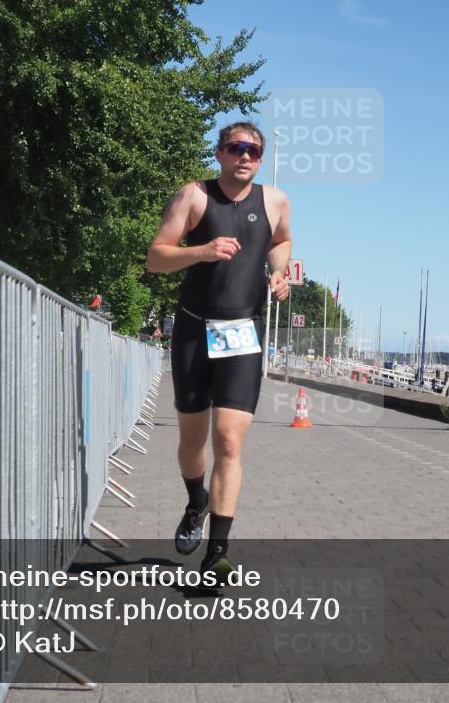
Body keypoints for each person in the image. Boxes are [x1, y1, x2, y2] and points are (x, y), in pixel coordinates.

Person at [146, 121, 291, 580]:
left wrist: (279, 272)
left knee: (228, 440)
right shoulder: (194, 196)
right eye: (236, 148)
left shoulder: (275, 201)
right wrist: (202, 251)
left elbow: (282, 240)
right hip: (194, 330)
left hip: (242, 334)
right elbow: (156, 256)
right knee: (192, 442)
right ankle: (196, 501)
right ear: (220, 153)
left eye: (254, 151)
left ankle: (218, 553)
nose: (245, 156)